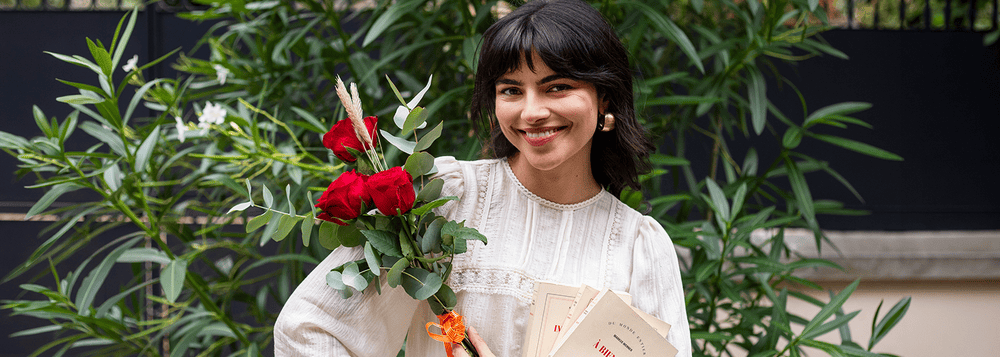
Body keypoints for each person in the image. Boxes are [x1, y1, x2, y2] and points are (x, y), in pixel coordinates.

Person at [273, 0, 692, 356]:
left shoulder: (640, 249)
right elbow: (308, 330)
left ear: (604, 97)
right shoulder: (444, 197)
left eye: (556, 87)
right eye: (511, 90)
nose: (531, 111)